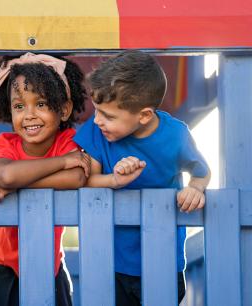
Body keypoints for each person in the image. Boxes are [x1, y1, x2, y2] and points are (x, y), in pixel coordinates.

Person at [74, 50, 211, 306]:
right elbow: (86, 179)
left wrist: (195, 188)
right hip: (111, 257)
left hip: (164, 256)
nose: (97, 120)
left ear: (144, 115)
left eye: (109, 116)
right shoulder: (95, 132)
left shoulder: (175, 135)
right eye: (96, 111)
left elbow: (201, 171)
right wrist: (113, 180)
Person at [0, 52, 92, 306]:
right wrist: (60, 163)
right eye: (19, 106)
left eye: (41, 104)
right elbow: (6, 174)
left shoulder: (66, 141)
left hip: (49, 264)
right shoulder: (3, 144)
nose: (29, 114)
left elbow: (75, 178)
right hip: (1, 266)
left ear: (63, 109)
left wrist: (14, 186)